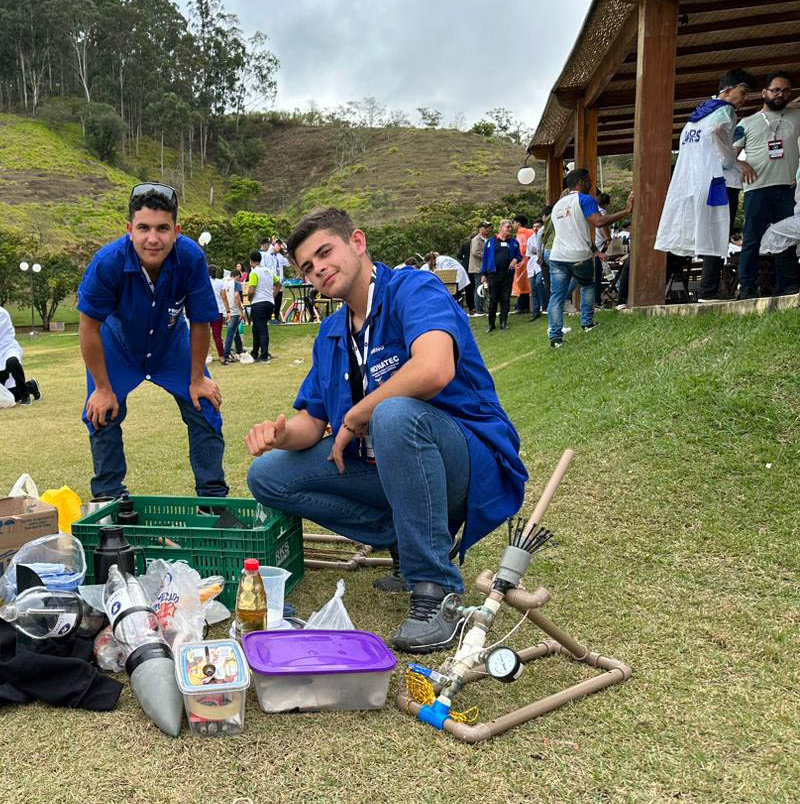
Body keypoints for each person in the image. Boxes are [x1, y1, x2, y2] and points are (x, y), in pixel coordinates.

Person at [244, 207, 527, 653]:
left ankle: (436, 590)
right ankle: (404, 535)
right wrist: (280, 435)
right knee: (269, 475)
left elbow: (433, 369)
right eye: (307, 266)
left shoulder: (413, 289)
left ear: (357, 243)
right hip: (387, 466)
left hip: (461, 461)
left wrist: (357, 416)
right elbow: (311, 423)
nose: (318, 269)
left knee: (393, 414)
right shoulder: (332, 332)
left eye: (325, 253)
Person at [76, 182, 227, 501]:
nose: (153, 238)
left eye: (163, 228)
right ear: (130, 229)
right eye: (143, 228)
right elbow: (89, 328)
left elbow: (201, 320)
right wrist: (103, 389)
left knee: (205, 406)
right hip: (116, 347)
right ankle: (108, 495)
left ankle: (213, 499)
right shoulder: (107, 262)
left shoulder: (190, 258)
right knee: (102, 413)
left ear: (177, 230)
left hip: (172, 346)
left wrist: (198, 378)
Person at [656, 70, 757, 301]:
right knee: (718, 232)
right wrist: (736, 162)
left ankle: (704, 289)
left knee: (704, 231)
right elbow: (718, 139)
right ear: (728, 90)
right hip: (718, 184)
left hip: (694, 182)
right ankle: (708, 291)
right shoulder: (726, 111)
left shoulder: (697, 115)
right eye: (743, 93)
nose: (744, 99)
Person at [547, 169, 633, 347]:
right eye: (589, 180)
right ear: (581, 181)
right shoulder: (585, 200)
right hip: (579, 256)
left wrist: (596, 250)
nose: (591, 183)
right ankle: (587, 323)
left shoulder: (557, 205)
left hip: (557, 256)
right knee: (587, 285)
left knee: (556, 296)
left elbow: (575, 234)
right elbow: (599, 222)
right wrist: (626, 211)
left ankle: (555, 338)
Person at [734, 71, 800, 297]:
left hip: (786, 189)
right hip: (757, 190)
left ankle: (789, 286)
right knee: (752, 239)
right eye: (775, 90)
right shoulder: (746, 122)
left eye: (785, 90)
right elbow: (728, 154)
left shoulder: (795, 116)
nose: (780, 94)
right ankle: (747, 288)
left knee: (786, 239)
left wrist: (791, 106)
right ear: (764, 93)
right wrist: (739, 164)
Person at [480, 220, 522, 332]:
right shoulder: (491, 242)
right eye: (507, 227)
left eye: (510, 228)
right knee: (493, 299)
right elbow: (485, 259)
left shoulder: (514, 242)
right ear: (501, 227)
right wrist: (483, 273)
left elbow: (519, 256)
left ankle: (504, 322)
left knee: (505, 299)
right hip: (493, 274)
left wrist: (515, 259)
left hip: (507, 274)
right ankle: (491, 324)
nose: (509, 229)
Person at [247, 249, 279, 362]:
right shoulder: (269, 271)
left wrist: (249, 298)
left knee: (261, 329)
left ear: (251, 261)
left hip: (258, 303)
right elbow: (278, 284)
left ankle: (264, 355)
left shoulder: (254, 273)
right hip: (269, 303)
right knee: (256, 328)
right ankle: (255, 352)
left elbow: (251, 290)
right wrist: (272, 295)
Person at [220, 269, 245, 364]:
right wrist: (241, 311)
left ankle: (239, 349)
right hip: (234, 311)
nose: (240, 279)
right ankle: (226, 354)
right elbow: (237, 297)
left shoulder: (224, 282)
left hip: (227, 310)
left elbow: (222, 296)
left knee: (235, 331)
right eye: (240, 277)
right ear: (237, 276)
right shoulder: (236, 284)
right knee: (231, 333)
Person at [466, 222, 489, 316]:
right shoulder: (476, 239)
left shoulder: (486, 239)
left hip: (483, 267)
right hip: (477, 267)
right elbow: (475, 252)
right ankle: (479, 309)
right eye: (485, 227)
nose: (488, 229)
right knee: (479, 287)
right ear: (480, 228)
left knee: (483, 287)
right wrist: (487, 256)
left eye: (488, 227)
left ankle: (483, 307)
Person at [512, 215, 533, 313]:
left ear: (518, 223)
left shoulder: (521, 233)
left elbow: (521, 248)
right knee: (527, 285)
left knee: (522, 285)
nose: (513, 225)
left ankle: (522, 306)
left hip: (523, 262)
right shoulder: (530, 231)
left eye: (514, 222)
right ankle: (525, 305)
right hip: (530, 261)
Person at [207, 267, 227, 361]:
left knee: (205, 335)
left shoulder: (204, 282)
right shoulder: (220, 282)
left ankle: (206, 356)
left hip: (206, 311)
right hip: (218, 311)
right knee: (217, 336)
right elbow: (224, 297)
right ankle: (222, 357)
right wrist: (228, 310)